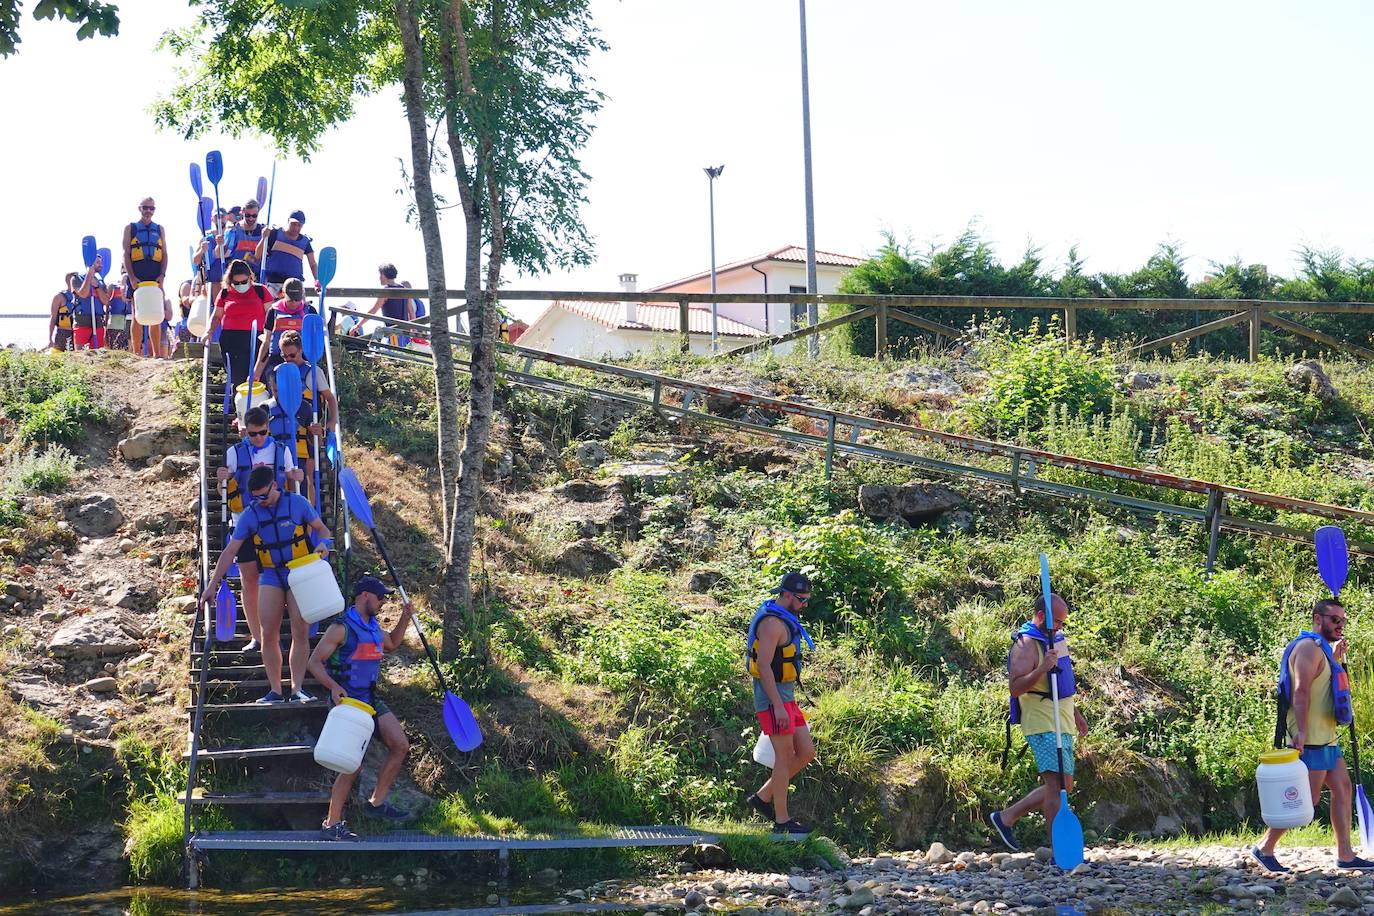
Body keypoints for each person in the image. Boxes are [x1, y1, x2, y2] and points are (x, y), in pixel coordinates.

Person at [1251, 599, 1374, 871]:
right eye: (1334, 620)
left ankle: (1345, 854)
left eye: (1343, 620)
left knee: (1342, 789)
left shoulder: (1322, 650)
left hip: (1327, 738)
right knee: (1308, 799)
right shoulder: (1308, 648)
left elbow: (1325, 685)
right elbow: (1301, 692)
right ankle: (1265, 848)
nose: (1340, 625)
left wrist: (1337, 659)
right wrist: (1302, 733)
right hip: (1311, 740)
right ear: (1317, 618)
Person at [200, 465, 333, 704]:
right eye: (255, 497)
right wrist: (211, 586)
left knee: (299, 631)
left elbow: (323, 530)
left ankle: (297, 690)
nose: (260, 500)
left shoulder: (298, 503)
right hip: (271, 575)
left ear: (275, 485)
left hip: (299, 572)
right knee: (268, 632)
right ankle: (274, 690)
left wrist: (324, 544)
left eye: (264, 495)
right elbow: (231, 551)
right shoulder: (251, 514)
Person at [308, 575, 415, 839]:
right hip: (348, 703)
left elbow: (391, 643)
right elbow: (313, 662)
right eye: (380, 598)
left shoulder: (373, 626)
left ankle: (376, 804)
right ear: (365, 596)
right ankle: (331, 825)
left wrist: (406, 616)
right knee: (351, 766)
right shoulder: (341, 628)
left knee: (400, 745)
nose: (382, 603)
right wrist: (333, 687)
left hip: (370, 698)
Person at [989, 592, 1088, 853]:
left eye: (1063, 623)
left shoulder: (1056, 640)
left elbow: (1061, 683)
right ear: (1041, 616)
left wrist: (1075, 713)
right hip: (1041, 720)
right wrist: (1042, 667)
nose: (1060, 627)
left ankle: (1006, 817)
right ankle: (1058, 849)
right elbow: (1015, 688)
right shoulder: (1026, 644)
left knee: (1065, 785)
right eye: (1057, 621)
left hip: (1062, 718)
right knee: (1056, 785)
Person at [216, 406, 303, 655]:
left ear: (268, 428)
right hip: (244, 522)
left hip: (277, 525)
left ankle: (276, 636)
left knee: (281, 580)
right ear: (245, 432)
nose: (258, 438)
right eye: (253, 434)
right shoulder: (234, 452)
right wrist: (221, 479)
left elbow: (291, 479)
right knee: (249, 580)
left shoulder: (281, 450)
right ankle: (257, 637)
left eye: (263, 433)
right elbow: (222, 492)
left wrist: (296, 475)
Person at [745, 571, 817, 835]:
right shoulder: (772, 624)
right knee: (784, 758)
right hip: (773, 700)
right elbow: (763, 666)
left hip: (787, 699)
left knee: (806, 752)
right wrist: (776, 705)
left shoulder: (786, 619)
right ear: (786, 595)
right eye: (801, 600)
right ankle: (782, 821)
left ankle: (762, 798)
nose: (804, 605)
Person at [267, 330, 337, 506]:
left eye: (292, 355)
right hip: (283, 430)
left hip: (306, 430)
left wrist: (332, 421)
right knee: (285, 477)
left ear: (300, 350)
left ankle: (310, 518)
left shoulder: (313, 372)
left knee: (306, 478)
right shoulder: (279, 371)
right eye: (284, 355)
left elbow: (330, 398)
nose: (288, 359)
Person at [206, 259, 272, 395]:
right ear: (230, 281)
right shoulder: (225, 293)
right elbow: (217, 315)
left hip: (258, 338)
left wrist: (270, 336)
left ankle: (261, 413)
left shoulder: (261, 291)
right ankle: (239, 413)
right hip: (232, 340)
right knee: (238, 380)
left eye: (244, 282)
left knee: (260, 378)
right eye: (236, 283)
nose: (241, 285)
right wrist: (209, 332)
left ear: (250, 278)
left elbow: (271, 315)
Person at [122, 197, 168, 356]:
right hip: (137, 274)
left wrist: (162, 275)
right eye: (145, 208)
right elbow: (126, 254)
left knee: (155, 314)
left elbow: (164, 254)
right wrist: (132, 277)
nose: (148, 211)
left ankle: (157, 354)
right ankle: (136, 354)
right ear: (139, 208)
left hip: (155, 274)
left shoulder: (160, 229)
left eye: (151, 208)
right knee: (137, 314)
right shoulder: (131, 228)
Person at [253, 278, 318, 381]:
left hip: (303, 363)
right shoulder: (273, 311)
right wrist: (257, 371)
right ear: (283, 294)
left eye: (297, 299)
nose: (294, 303)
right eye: (290, 299)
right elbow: (266, 342)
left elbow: (315, 340)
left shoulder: (310, 311)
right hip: (277, 361)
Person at [256, 210, 318, 296]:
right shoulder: (274, 234)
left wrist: (316, 280)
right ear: (288, 221)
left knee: (301, 308)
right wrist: (264, 238)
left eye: (299, 225)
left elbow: (313, 264)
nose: (296, 228)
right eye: (293, 224)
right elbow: (258, 255)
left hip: (295, 285)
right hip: (274, 283)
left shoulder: (305, 242)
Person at [70, 259, 108, 351]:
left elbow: (106, 301)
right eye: (98, 262)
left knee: (98, 354)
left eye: (101, 262)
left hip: (98, 321)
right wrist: (89, 277)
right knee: (80, 354)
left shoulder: (100, 282)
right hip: (82, 320)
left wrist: (97, 286)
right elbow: (83, 294)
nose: (101, 264)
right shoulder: (76, 278)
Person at [193, 207, 229, 305]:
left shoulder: (231, 235)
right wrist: (201, 250)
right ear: (212, 219)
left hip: (229, 282)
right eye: (217, 216)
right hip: (211, 282)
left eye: (222, 216)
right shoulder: (206, 238)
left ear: (227, 217)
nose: (219, 219)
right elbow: (195, 261)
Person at [224, 199, 266, 281]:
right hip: (236, 277)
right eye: (247, 215)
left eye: (254, 216)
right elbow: (224, 254)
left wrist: (265, 237)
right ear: (242, 212)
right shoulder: (233, 230)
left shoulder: (263, 231)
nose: (251, 218)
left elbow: (261, 258)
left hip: (256, 277)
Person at [49, 273, 78, 352]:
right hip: (63, 332)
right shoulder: (59, 297)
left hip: (77, 332)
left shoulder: (82, 296)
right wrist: (50, 338)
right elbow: (53, 317)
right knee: (59, 357)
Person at [105, 281, 131, 351]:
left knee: (127, 347)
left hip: (128, 320)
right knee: (114, 346)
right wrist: (106, 321)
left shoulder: (132, 285)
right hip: (114, 321)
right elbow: (107, 304)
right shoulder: (112, 286)